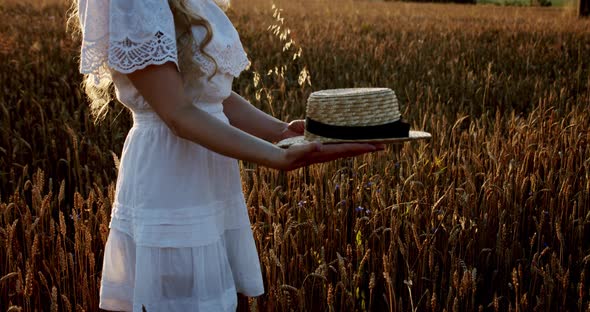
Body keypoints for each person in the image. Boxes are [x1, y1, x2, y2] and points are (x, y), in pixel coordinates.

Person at [72, 0, 382, 310]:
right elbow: (178, 114)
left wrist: (282, 133)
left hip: (210, 178)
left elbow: (210, 96)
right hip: (172, 179)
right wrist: (277, 158)